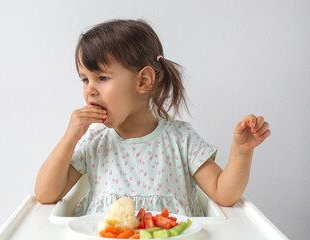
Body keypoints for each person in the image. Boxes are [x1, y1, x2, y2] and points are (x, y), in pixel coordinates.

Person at [35, 19, 271, 217]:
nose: (90, 90)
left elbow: (224, 194)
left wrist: (241, 151)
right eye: (85, 79)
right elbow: (46, 194)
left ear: (143, 80)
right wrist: (70, 137)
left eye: (102, 78)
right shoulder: (95, 142)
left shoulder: (180, 139)